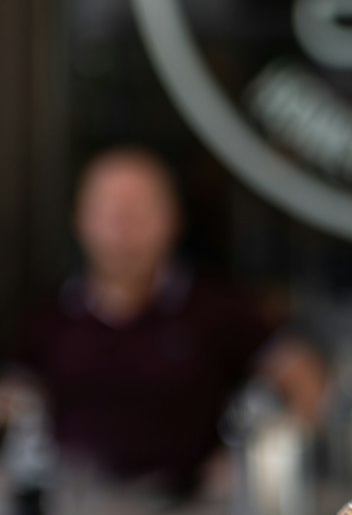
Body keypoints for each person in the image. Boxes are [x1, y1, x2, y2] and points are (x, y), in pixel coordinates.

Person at [0, 147, 329, 496]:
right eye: (109, 211)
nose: (123, 228)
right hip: (74, 511)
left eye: (139, 212)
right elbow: (13, 400)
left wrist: (258, 461)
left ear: (173, 218)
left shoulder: (218, 309)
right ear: (80, 219)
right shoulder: (49, 318)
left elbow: (309, 382)